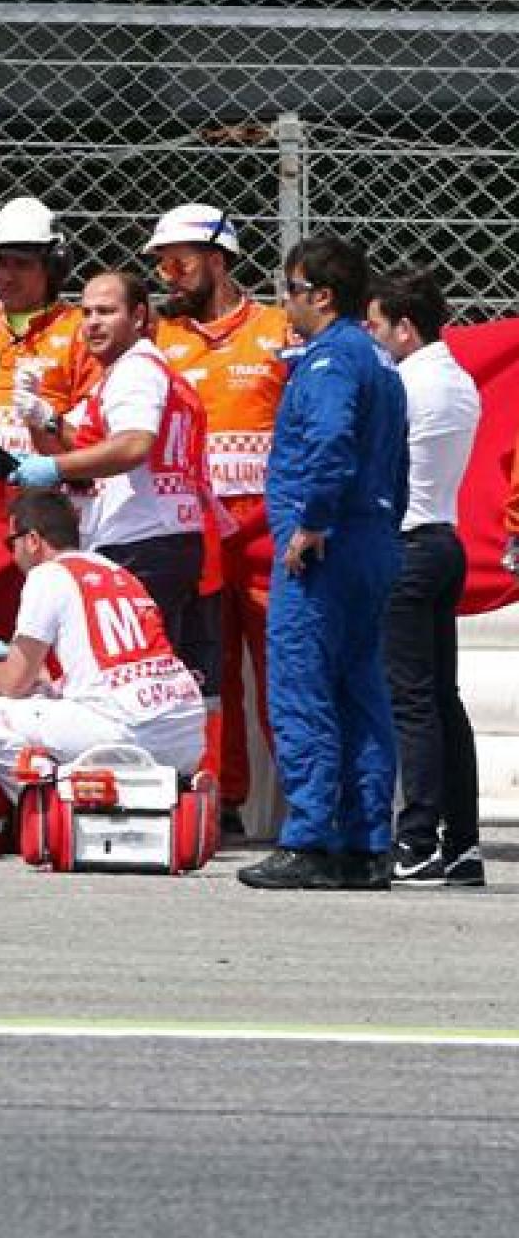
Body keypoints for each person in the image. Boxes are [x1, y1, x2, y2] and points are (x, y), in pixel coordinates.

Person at [238, 237, 408, 892]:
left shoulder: (330, 361)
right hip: (372, 539)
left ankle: (309, 837)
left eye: (292, 290)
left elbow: (332, 441)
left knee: (304, 688)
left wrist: (311, 522)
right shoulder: (380, 360)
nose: (287, 303)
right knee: (361, 691)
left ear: (322, 295)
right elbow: (396, 457)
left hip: (326, 547)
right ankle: (367, 844)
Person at [145, 203, 291, 829]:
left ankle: (306, 804)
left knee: (281, 664)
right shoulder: (159, 338)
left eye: (178, 262)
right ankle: (222, 801)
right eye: (160, 265)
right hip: (194, 527)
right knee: (206, 669)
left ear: (217, 258)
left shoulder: (280, 328)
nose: (169, 276)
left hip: (266, 528)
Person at [0, 490, 205, 804]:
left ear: (32, 540)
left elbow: (12, 683)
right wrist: (19, 664)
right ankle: (173, 785)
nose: (12, 554)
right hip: (186, 731)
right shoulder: (117, 571)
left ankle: (54, 798)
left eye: (11, 543)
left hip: (127, 730)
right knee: (46, 696)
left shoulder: (47, 575)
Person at [11, 271, 209, 653]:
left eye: (106, 311)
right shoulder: (137, 370)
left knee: (131, 664)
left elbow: (133, 444)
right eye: (85, 313)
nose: (92, 323)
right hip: (160, 534)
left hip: (143, 538)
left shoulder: (135, 370)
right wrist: (42, 417)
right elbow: (82, 443)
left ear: (138, 317)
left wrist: (53, 470)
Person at [366, 266, 484, 887]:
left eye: (377, 324)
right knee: (444, 701)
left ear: (405, 329)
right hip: (444, 538)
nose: (370, 334)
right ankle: (462, 845)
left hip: (407, 545)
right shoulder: (458, 379)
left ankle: (415, 844)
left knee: (410, 701)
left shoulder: (404, 382)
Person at [0, 197, 101, 457]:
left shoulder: (81, 330)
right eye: (1, 262)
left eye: (22, 264)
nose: (8, 277)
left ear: (54, 267)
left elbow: (94, 429)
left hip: (51, 486)